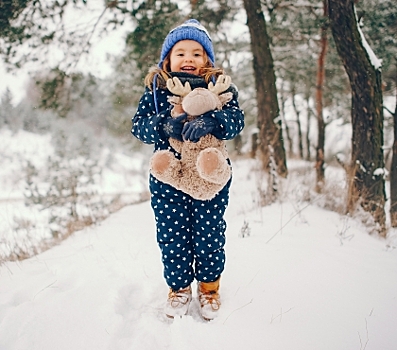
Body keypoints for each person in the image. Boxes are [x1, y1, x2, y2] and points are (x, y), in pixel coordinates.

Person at [131, 19, 244, 320]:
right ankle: (179, 289)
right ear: (167, 59)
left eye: (197, 53)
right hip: (168, 176)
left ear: (207, 59)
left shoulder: (220, 88)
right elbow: (138, 128)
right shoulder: (156, 92)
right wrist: (162, 125)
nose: (189, 59)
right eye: (181, 53)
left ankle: (209, 288)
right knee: (172, 234)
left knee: (209, 233)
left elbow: (237, 121)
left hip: (210, 175)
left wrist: (213, 122)